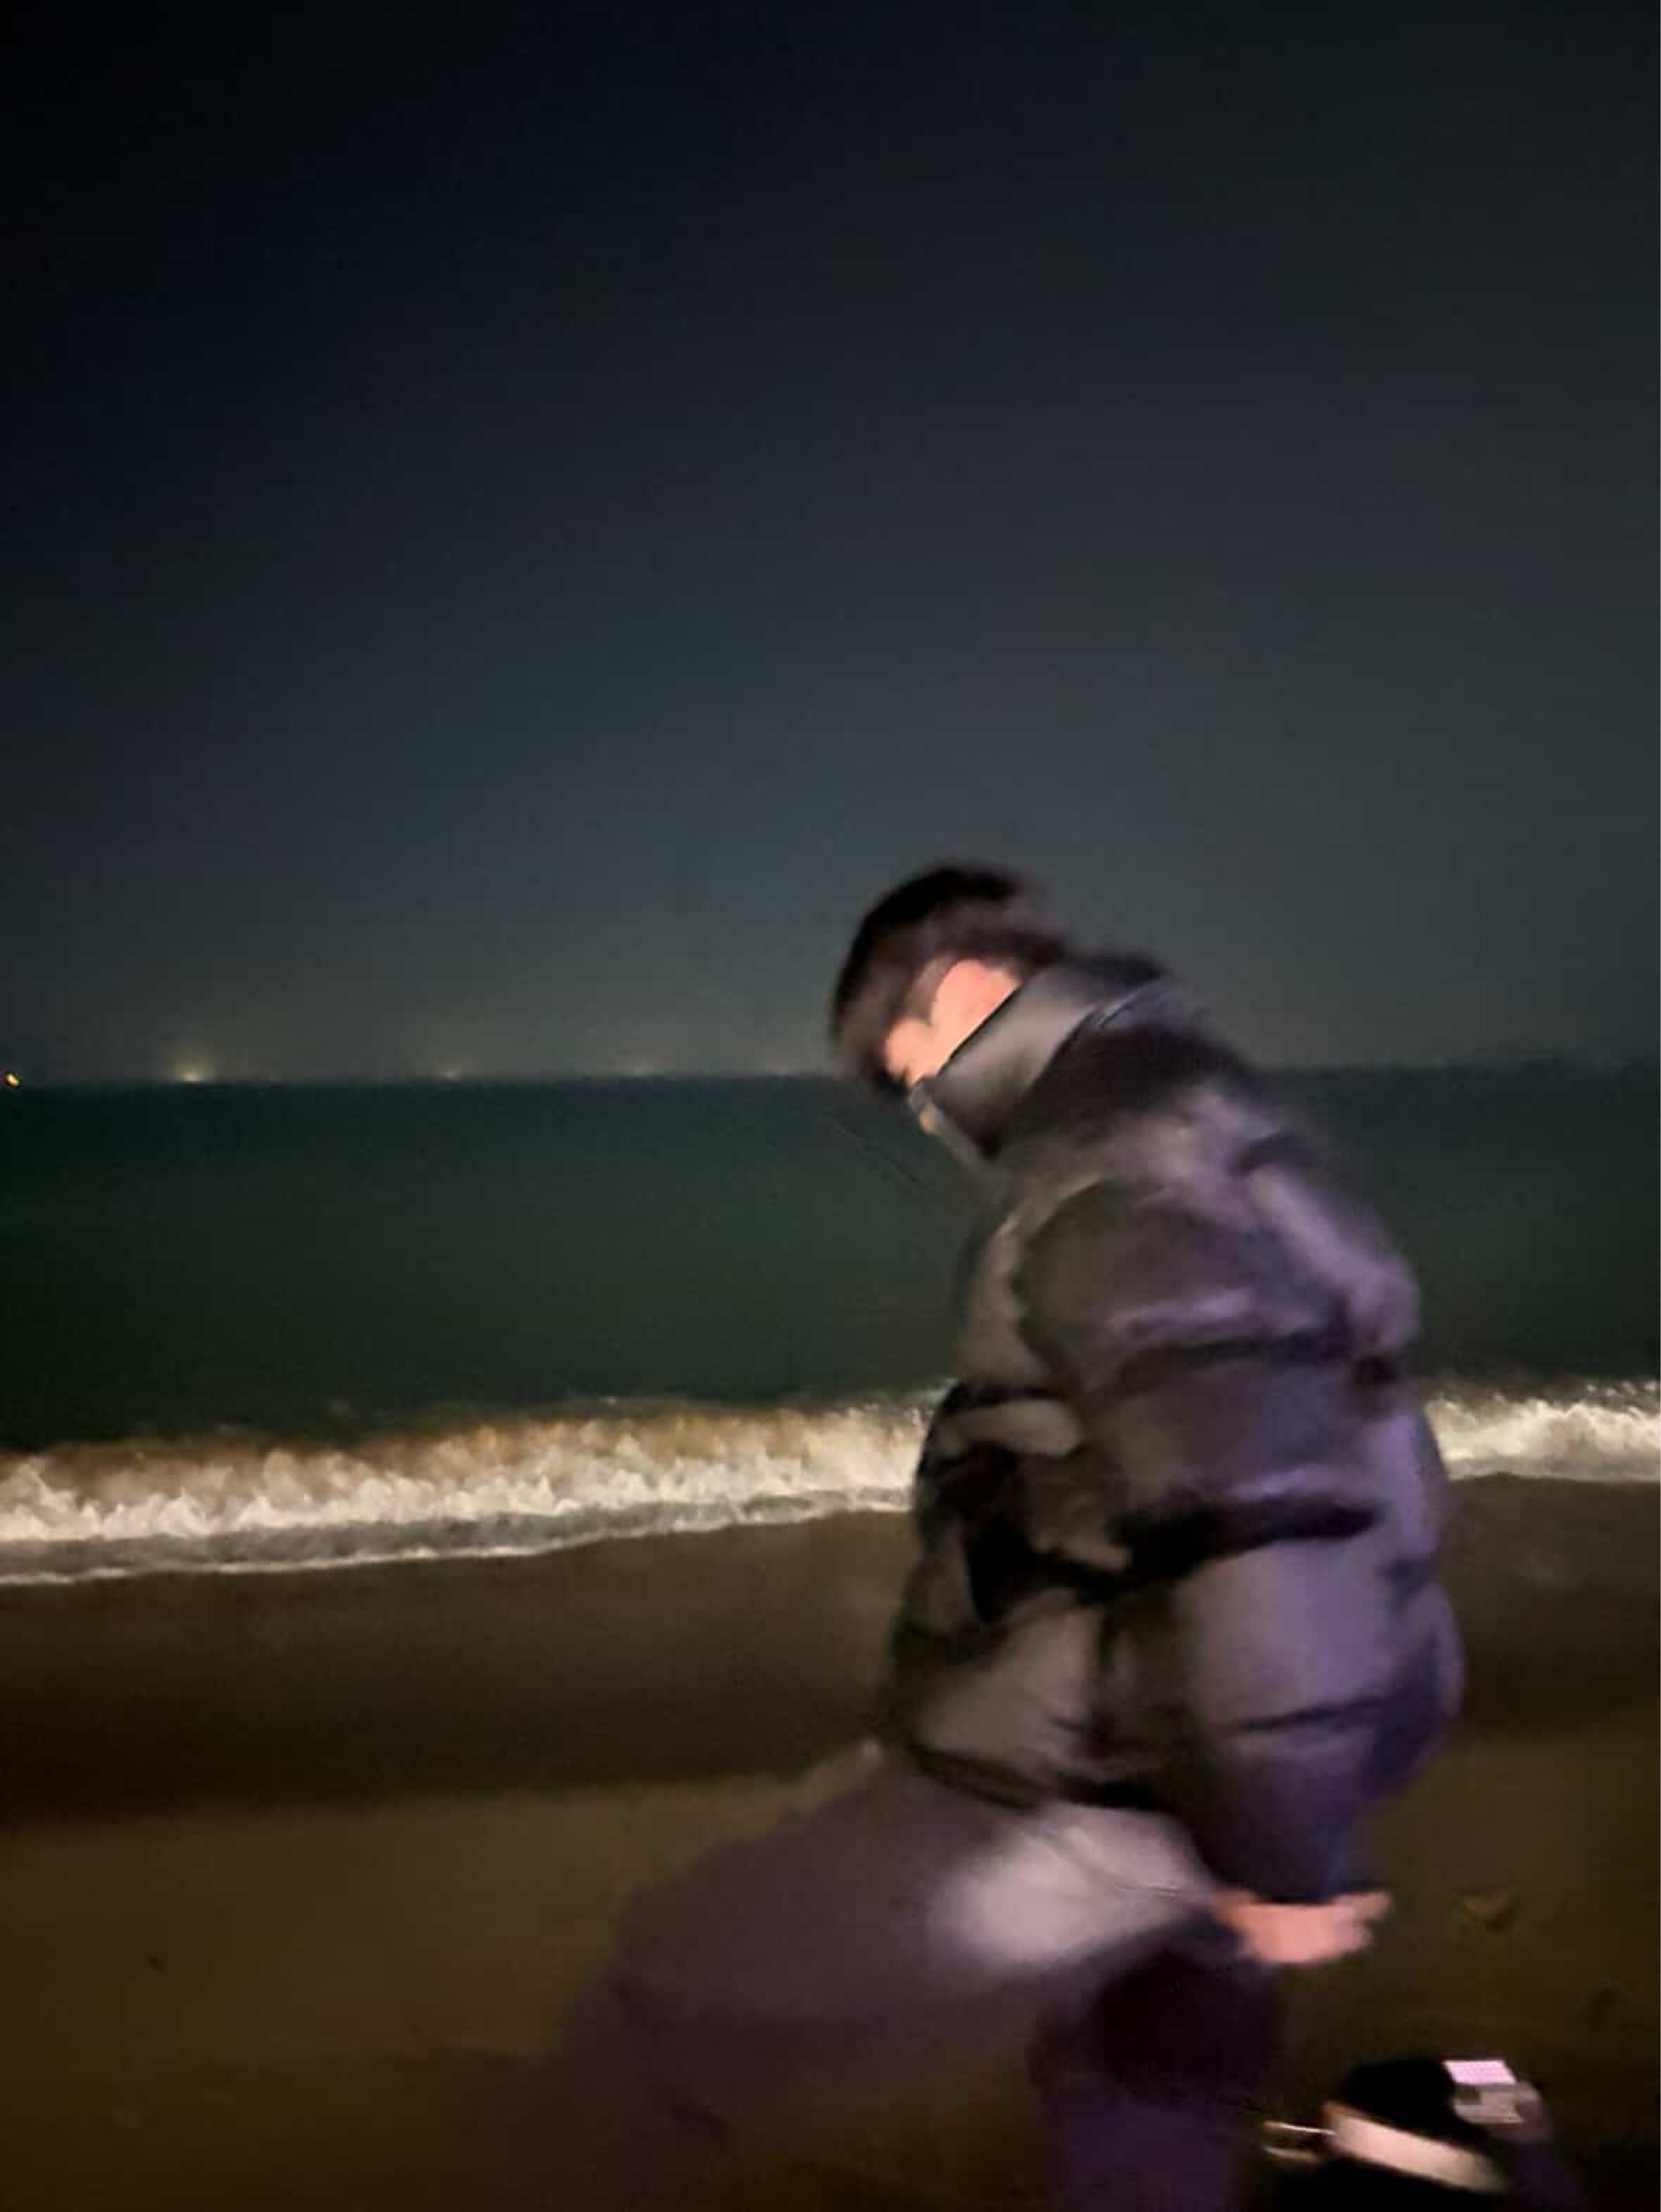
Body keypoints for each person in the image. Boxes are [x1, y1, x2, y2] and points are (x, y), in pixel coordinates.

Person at [515, 863, 1462, 2209]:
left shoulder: (1118, 1154)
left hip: (1125, 1771)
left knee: (662, 2006)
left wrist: (1278, 1843)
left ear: (962, 994)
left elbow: (1258, 1497)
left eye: (916, 1082)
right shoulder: (1199, 1109)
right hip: (1218, 1744)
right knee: (1142, 2079)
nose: (931, 1119)